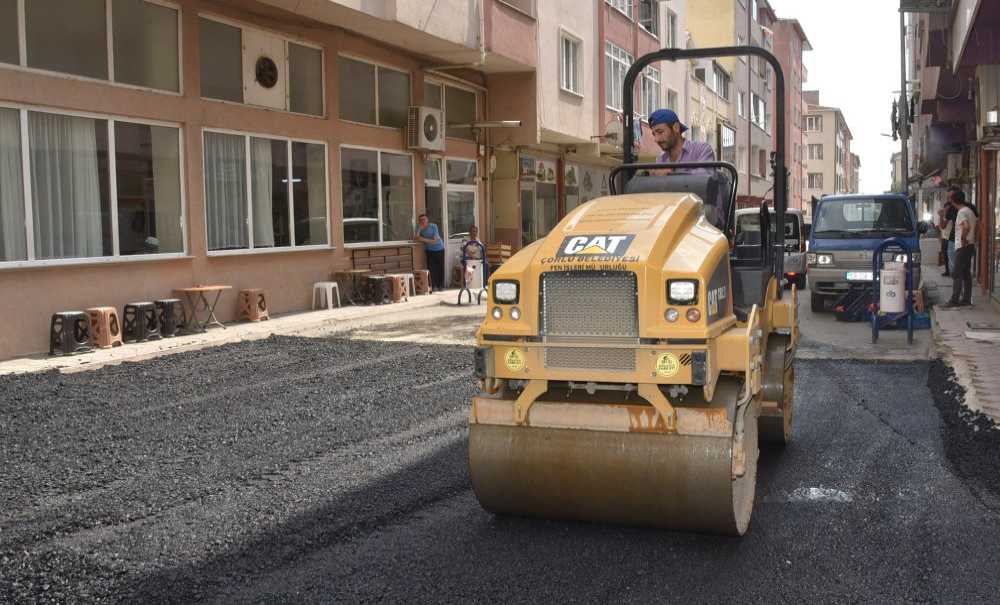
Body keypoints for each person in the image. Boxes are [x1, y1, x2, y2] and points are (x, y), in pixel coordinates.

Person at [943, 189, 977, 308]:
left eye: (949, 198)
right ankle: (966, 299)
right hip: (970, 245)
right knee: (966, 273)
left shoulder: (961, 212)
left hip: (963, 246)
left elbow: (966, 226)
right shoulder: (969, 211)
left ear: (952, 200)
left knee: (957, 273)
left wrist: (963, 239)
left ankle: (954, 300)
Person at [415, 214, 445, 290]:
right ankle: (433, 285)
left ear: (427, 220)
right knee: (431, 268)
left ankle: (441, 285)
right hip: (429, 250)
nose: (422, 221)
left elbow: (435, 241)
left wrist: (422, 239)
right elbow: (416, 238)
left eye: (424, 219)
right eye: (421, 220)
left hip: (439, 248)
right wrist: (419, 230)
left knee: (440, 268)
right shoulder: (419, 227)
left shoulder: (433, 226)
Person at [942, 187, 960, 277]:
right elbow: (943, 225)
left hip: (962, 240)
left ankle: (955, 275)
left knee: (958, 264)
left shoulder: (966, 209)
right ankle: (951, 272)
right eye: (948, 197)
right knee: (949, 257)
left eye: (951, 197)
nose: (949, 199)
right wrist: (943, 214)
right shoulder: (950, 208)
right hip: (951, 238)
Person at [937, 204, 951, 276]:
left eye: (947, 209)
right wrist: (941, 237)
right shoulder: (945, 217)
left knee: (948, 255)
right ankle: (947, 270)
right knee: (945, 255)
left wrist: (941, 216)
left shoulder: (949, 217)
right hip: (945, 238)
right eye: (945, 209)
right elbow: (941, 229)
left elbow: (942, 226)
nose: (945, 210)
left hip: (949, 239)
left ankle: (949, 271)